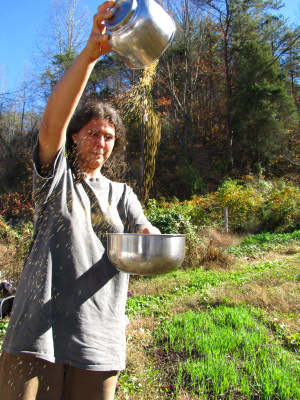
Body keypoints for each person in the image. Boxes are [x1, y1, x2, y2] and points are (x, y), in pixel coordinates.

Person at [0, 2, 160, 399]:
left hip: (99, 337)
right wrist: (90, 53)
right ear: (75, 136)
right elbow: (51, 122)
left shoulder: (122, 194)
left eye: (109, 136)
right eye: (92, 132)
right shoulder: (55, 182)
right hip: (38, 333)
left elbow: (143, 229)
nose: (101, 141)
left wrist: (149, 234)